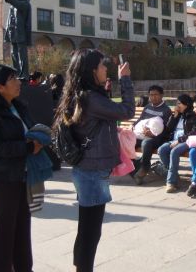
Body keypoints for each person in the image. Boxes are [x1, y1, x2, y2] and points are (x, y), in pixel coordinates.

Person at [53, 49, 135, 272]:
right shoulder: (91, 98)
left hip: (87, 167)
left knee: (88, 228)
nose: (105, 69)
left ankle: (81, 267)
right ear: (92, 70)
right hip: (91, 169)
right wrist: (125, 79)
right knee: (91, 230)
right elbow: (127, 110)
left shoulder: (81, 94)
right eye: (102, 65)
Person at [0, 64, 44, 272]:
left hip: (23, 175)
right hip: (3, 179)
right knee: (3, 234)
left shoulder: (18, 106)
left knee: (22, 230)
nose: (18, 82)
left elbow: (28, 130)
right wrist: (28, 147)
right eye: (12, 78)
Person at [155, 94, 196, 193]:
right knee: (161, 150)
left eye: (179, 103)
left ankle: (171, 182)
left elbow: (195, 132)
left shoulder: (193, 115)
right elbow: (168, 129)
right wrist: (174, 116)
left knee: (174, 152)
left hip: (186, 141)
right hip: (174, 140)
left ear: (186, 104)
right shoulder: (178, 115)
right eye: (177, 103)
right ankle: (175, 176)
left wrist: (179, 140)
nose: (177, 105)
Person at [132, 85, 172, 185]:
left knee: (147, 142)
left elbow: (167, 130)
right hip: (141, 134)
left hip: (157, 138)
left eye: (156, 95)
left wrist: (153, 134)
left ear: (162, 95)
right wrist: (132, 127)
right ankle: (134, 165)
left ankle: (144, 168)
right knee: (125, 139)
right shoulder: (147, 107)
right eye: (151, 95)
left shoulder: (166, 110)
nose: (153, 97)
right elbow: (140, 120)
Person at [3, 0, 32, 80]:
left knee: (22, 55)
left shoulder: (25, 4)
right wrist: (7, 32)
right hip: (13, 33)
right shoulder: (13, 5)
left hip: (21, 34)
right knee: (13, 54)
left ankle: (24, 75)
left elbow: (18, 4)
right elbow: (9, 19)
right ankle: (17, 73)